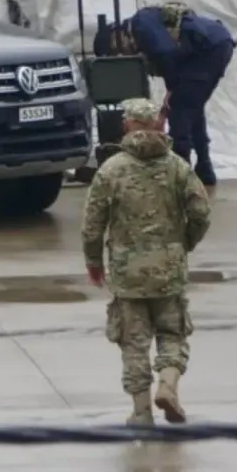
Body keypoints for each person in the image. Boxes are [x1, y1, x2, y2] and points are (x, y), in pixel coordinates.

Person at [81, 97, 212, 426]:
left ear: (126, 125)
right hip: (168, 268)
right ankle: (168, 385)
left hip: (128, 275)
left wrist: (94, 262)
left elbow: (92, 224)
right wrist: (186, 243)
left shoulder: (111, 170)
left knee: (133, 343)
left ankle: (141, 412)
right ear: (159, 125)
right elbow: (201, 212)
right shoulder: (178, 167)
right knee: (172, 334)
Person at [123, 2, 235, 189]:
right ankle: (204, 167)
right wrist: (172, 87)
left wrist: (172, 88)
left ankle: (180, 174)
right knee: (193, 106)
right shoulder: (149, 20)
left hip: (209, 49)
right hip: (217, 43)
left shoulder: (140, 24)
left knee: (180, 109)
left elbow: (165, 52)